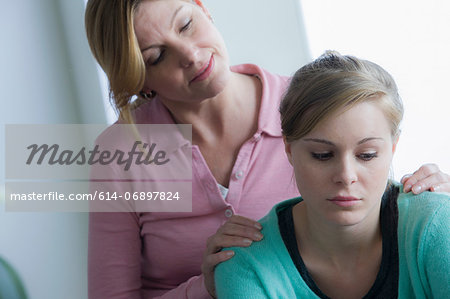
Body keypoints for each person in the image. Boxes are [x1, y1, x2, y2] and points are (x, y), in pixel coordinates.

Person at [84, 1, 450, 298]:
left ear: (203, 8)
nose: (191, 55)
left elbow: (372, 178)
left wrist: (430, 197)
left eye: (186, 25)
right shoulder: (120, 154)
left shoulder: (307, 109)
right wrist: (205, 289)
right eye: (156, 56)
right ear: (138, 79)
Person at [215, 51, 450, 298]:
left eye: (367, 155)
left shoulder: (436, 226)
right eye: (322, 155)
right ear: (289, 150)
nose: (346, 176)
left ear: (392, 148)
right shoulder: (244, 265)